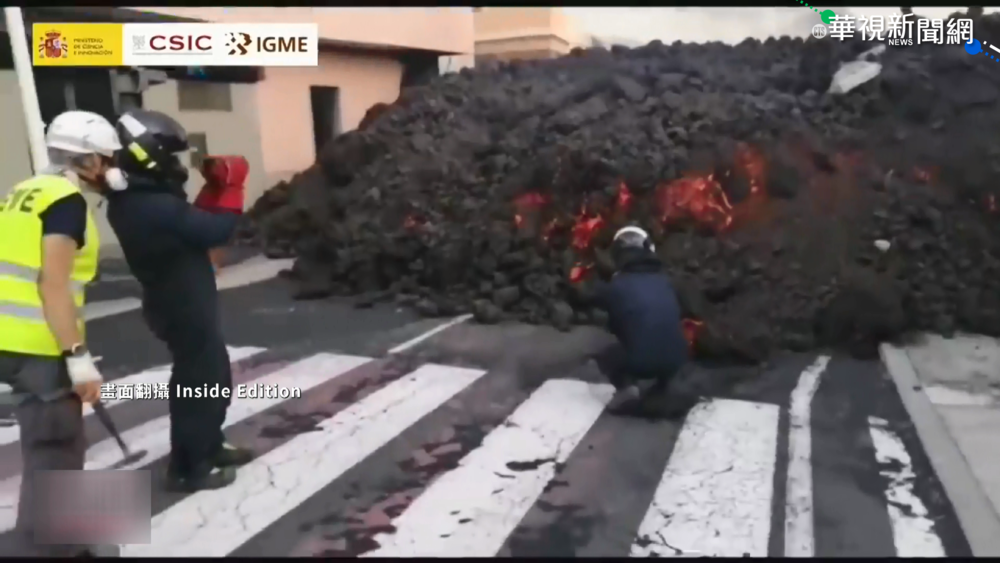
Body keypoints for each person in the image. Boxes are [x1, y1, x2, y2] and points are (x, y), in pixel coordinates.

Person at [104, 109, 253, 492]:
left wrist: (214, 190)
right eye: (168, 155)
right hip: (180, 305)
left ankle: (209, 444)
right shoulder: (146, 204)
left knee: (214, 373)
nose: (174, 164)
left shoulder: (144, 197)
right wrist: (233, 187)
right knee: (198, 383)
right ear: (148, 154)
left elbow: (188, 220)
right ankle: (189, 467)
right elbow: (213, 229)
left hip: (184, 300)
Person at [0, 110, 123, 556]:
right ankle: (51, 550)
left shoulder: (24, 191)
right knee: (58, 450)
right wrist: (78, 357)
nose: (110, 169)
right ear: (88, 160)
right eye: (107, 159)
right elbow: (52, 283)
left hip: (6, 340)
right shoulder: (66, 204)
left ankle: (54, 541)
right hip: (39, 346)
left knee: (43, 447)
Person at [584, 226, 698, 417]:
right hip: (677, 358)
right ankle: (664, 384)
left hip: (639, 362)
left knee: (601, 339)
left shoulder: (615, 286)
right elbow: (689, 311)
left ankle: (627, 386)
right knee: (665, 327)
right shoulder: (669, 280)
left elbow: (595, 305)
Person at [193, 155, 249, 274]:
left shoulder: (230, 195)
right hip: (209, 213)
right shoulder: (210, 190)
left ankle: (211, 264)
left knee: (216, 239)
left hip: (220, 214)